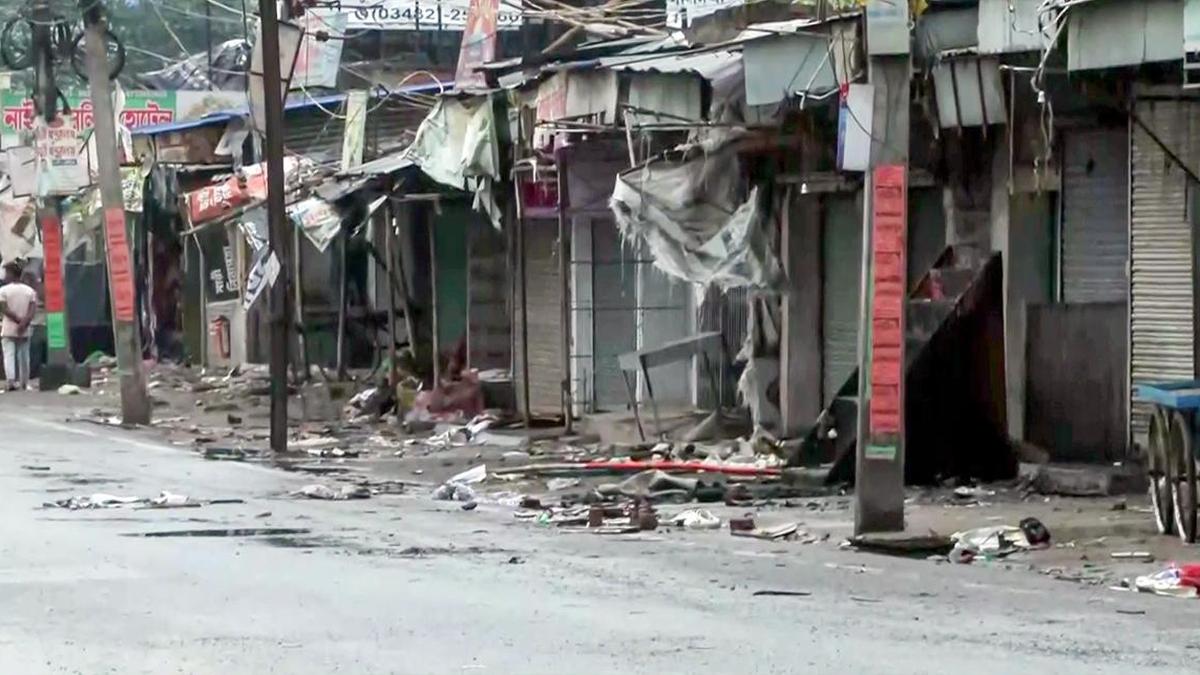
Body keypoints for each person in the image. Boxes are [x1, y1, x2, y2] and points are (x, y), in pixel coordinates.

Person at [0, 261, 37, 390]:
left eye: (6, 272)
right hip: (25, 329)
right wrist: (24, 323)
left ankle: (10, 381)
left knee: (9, 355)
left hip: (9, 328)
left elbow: (3, 308)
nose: (5, 275)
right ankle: (24, 382)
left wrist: (17, 320)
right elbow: (32, 310)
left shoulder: (3, 291)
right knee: (24, 356)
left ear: (11, 273)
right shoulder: (30, 291)